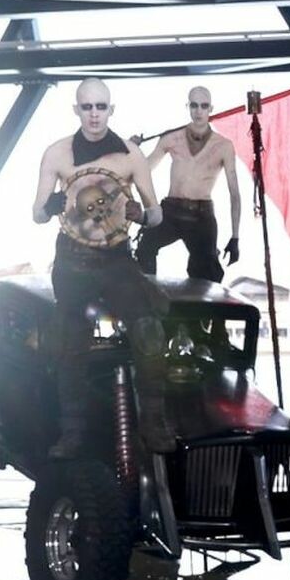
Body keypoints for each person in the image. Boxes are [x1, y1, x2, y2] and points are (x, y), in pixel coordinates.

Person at [31, 78, 176, 456]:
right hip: (72, 262)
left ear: (111, 110)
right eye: (87, 107)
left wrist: (141, 214)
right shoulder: (57, 153)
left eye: (100, 107)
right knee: (70, 342)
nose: (94, 114)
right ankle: (72, 433)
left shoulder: (130, 155)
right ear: (76, 110)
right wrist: (51, 205)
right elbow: (37, 214)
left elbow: (157, 214)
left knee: (149, 330)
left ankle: (154, 424)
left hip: (116, 260)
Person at [130, 85, 243, 284]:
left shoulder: (223, 146)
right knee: (144, 248)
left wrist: (235, 237)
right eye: (194, 105)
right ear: (188, 107)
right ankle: (147, 298)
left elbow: (234, 192)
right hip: (170, 211)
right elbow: (144, 171)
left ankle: (202, 304)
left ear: (211, 109)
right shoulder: (172, 138)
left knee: (208, 274)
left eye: (204, 106)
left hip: (202, 216)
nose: (199, 111)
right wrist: (132, 150)